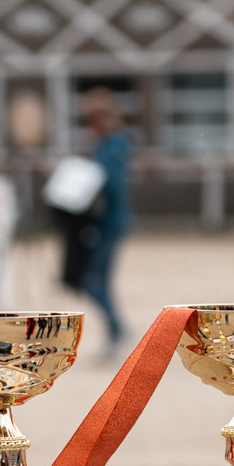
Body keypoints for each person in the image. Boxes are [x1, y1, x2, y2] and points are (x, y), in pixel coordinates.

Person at [70, 87, 134, 352]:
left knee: (93, 279)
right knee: (98, 280)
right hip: (108, 222)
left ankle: (117, 329)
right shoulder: (110, 146)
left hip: (108, 223)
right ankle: (115, 330)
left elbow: (108, 186)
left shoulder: (111, 148)